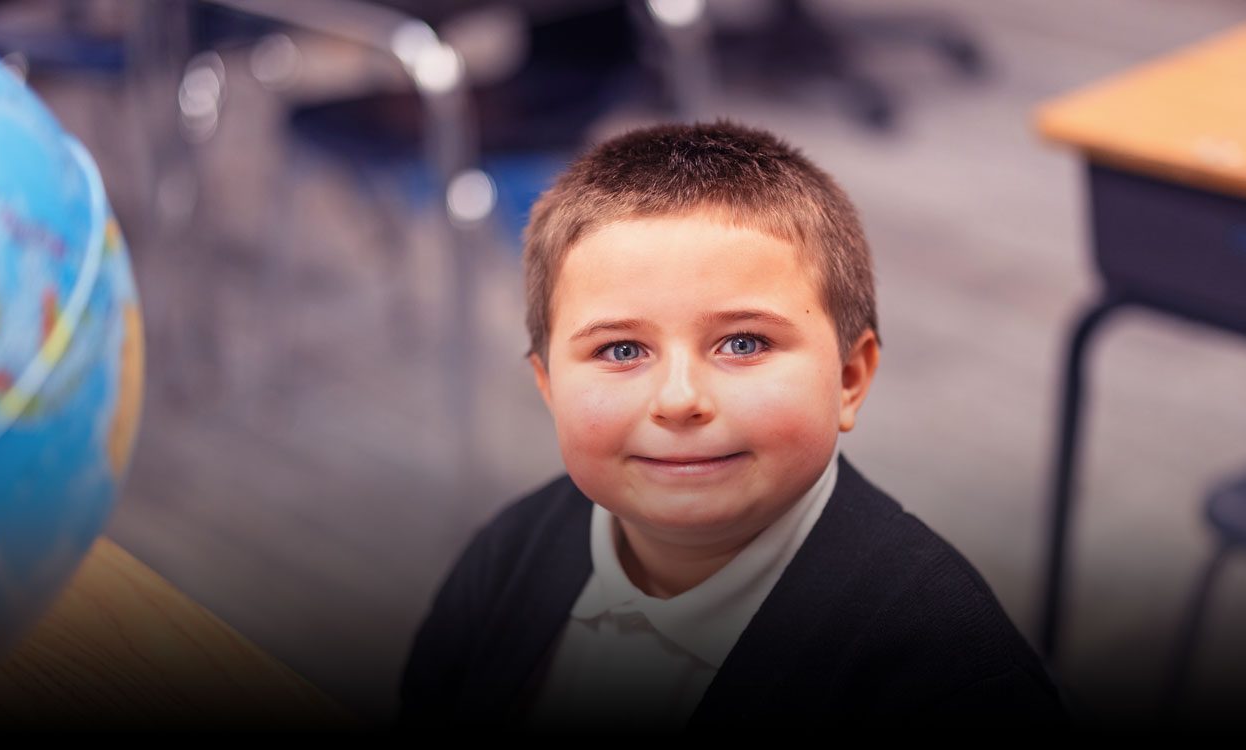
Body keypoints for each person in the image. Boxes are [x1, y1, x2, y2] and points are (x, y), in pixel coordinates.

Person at [397, 120, 1069, 731]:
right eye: (621, 350)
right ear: (549, 388)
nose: (680, 399)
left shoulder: (950, 676)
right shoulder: (507, 557)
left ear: (848, 379)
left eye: (743, 343)